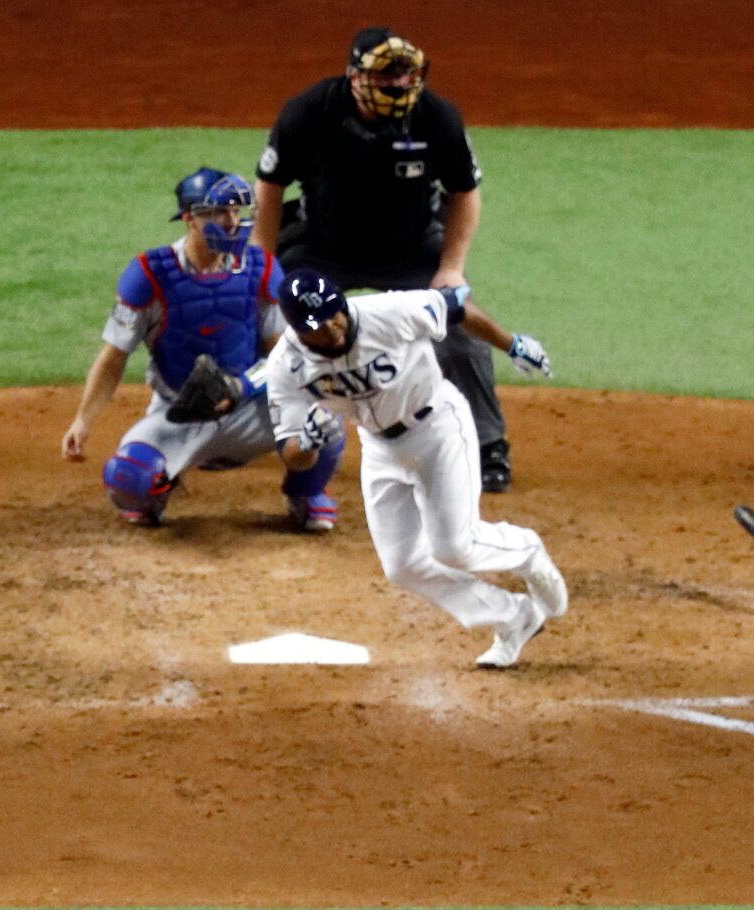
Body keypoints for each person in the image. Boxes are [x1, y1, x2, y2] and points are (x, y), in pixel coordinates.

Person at [253, 27, 515, 494]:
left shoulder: (436, 117)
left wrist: (450, 268)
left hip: (409, 248)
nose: (398, 84)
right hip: (322, 246)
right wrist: (263, 262)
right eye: (385, 75)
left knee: (459, 333)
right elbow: (270, 185)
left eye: (405, 74)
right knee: (268, 316)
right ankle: (263, 427)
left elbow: (464, 193)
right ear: (354, 77)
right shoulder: (311, 112)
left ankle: (488, 444)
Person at [267, 271, 567, 670]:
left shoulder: (389, 312)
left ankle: (526, 550)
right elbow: (291, 454)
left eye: (333, 314)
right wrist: (306, 443)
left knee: (454, 546)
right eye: (316, 325)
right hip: (378, 447)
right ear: (295, 328)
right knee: (402, 566)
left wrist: (511, 344)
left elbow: (455, 306)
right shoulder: (286, 366)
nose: (331, 327)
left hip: (437, 426)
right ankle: (514, 617)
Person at [62, 170, 342, 531]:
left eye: (235, 212)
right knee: (128, 479)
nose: (230, 222)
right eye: (217, 213)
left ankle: (305, 493)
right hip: (180, 413)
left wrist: (240, 386)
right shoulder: (150, 275)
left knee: (323, 424)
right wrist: (83, 421)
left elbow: (284, 357)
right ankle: (160, 485)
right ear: (190, 218)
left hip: (250, 408)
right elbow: (114, 356)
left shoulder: (261, 268)